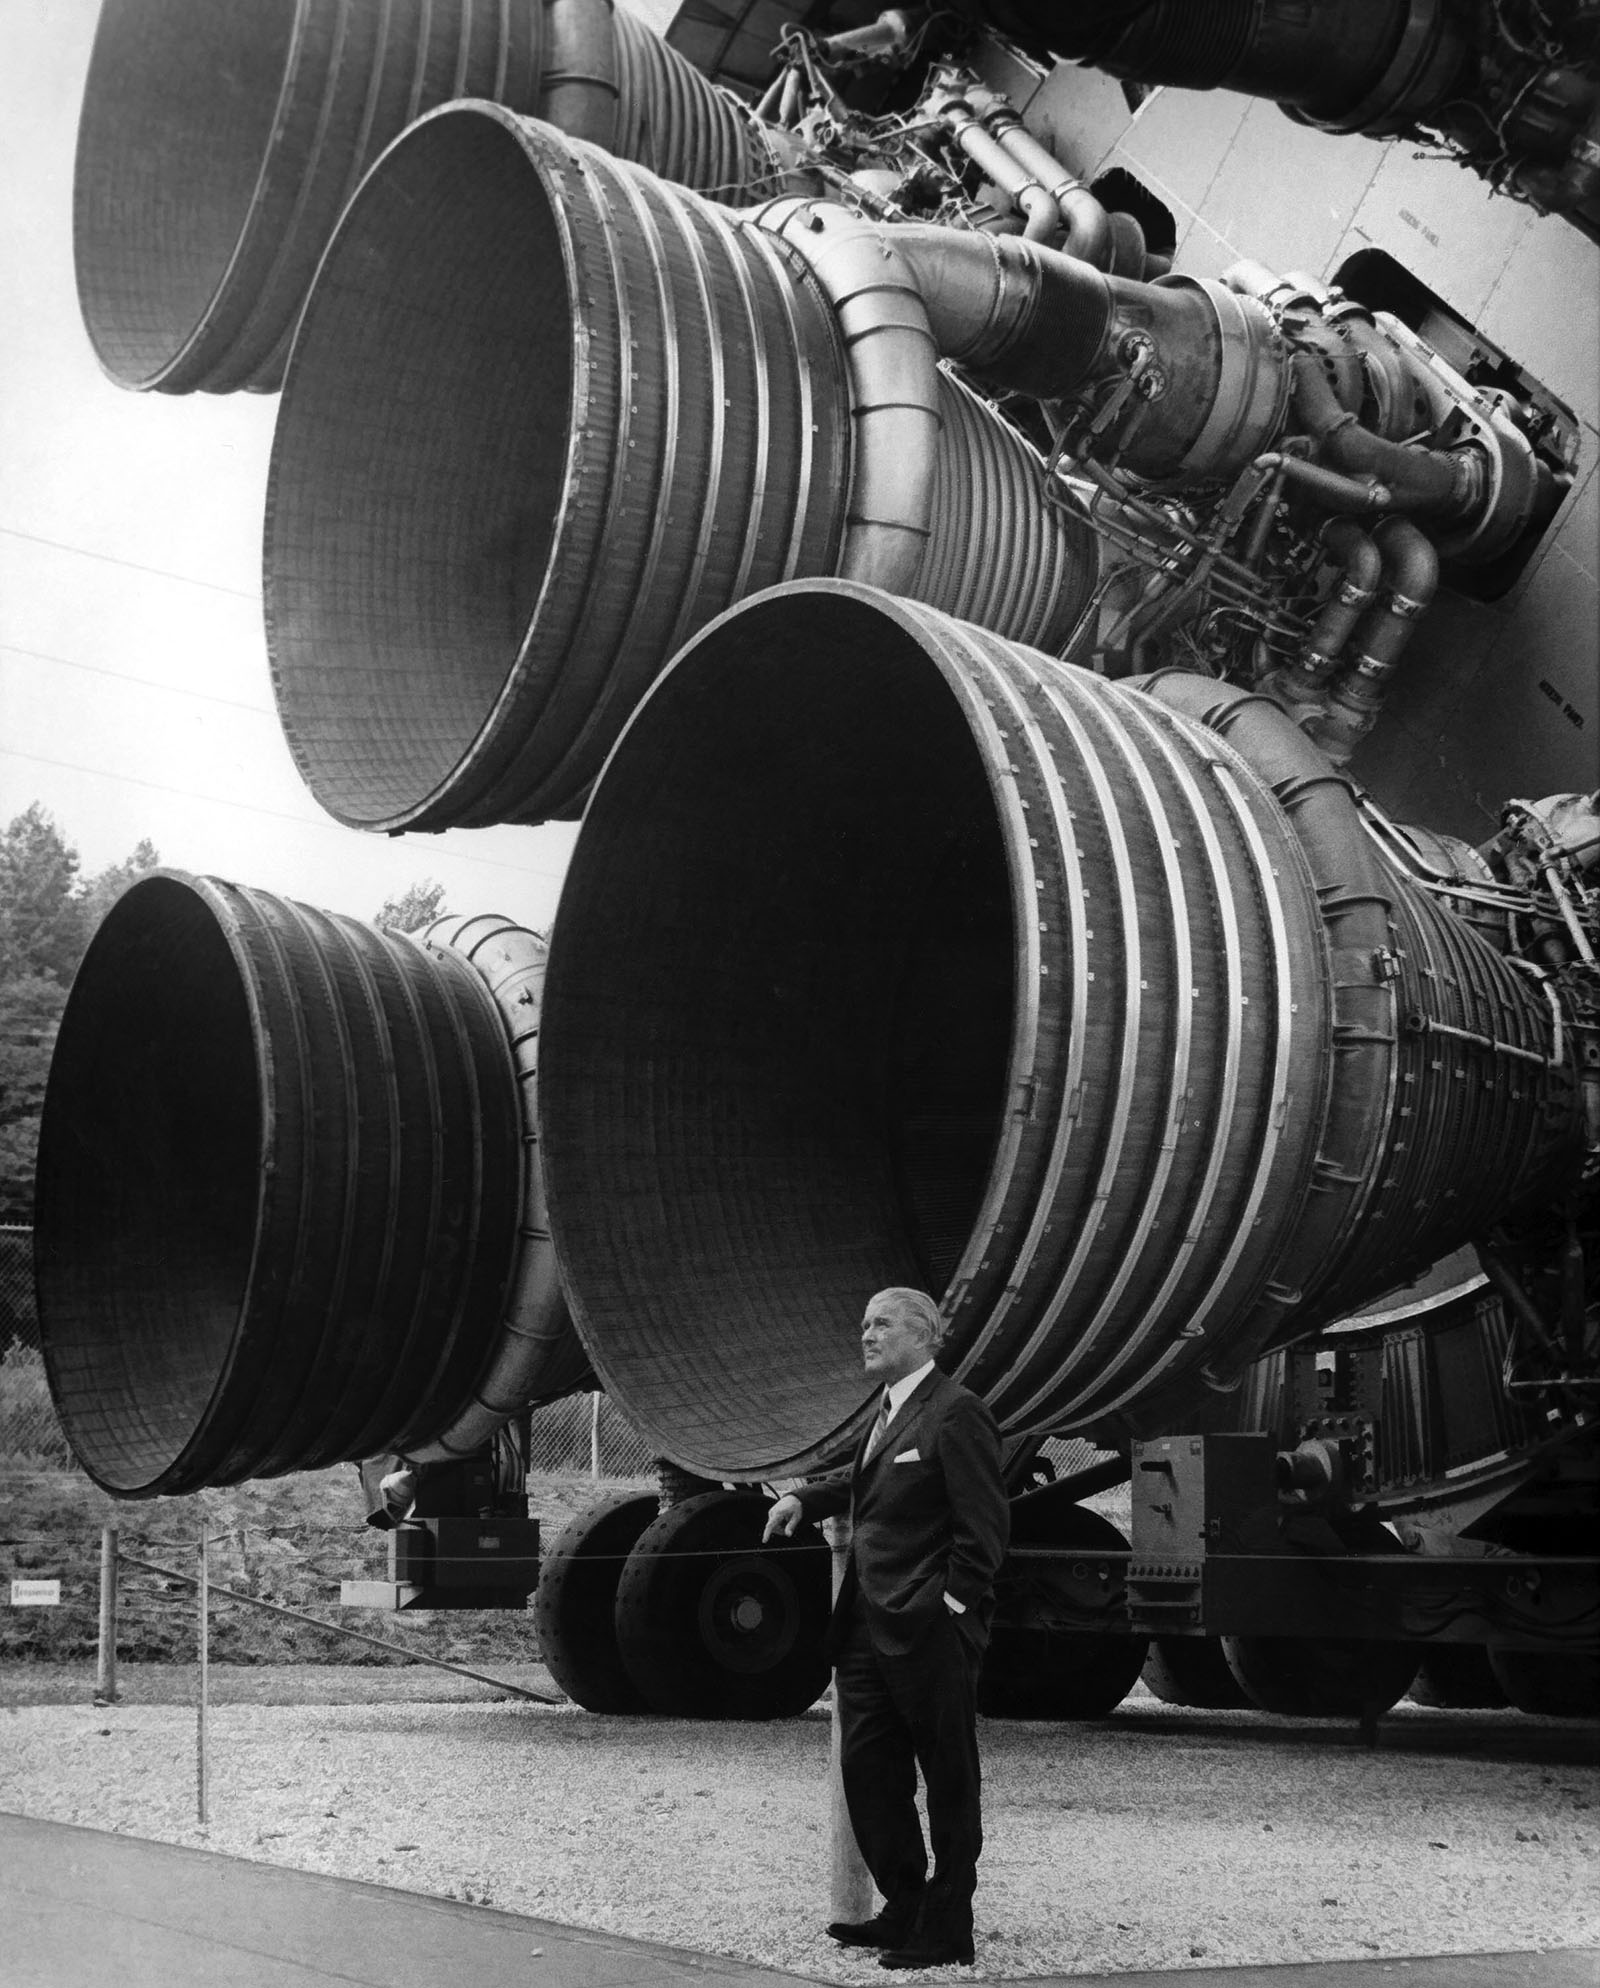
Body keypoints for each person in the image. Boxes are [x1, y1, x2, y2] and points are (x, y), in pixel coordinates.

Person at [763, 1286, 1010, 1970]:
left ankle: (948, 1924)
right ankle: (904, 1908)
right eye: (864, 1323)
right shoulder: (891, 1409)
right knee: (868, 1769)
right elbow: (868, 1481)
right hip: (868, 1629)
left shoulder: (957, 1414)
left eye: (882, 1324)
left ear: (925, 1336)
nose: (866, 1335)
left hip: (929, 1629)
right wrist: (804, 1497)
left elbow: (984, 1533)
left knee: (948, 1776)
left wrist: (950, 1609)